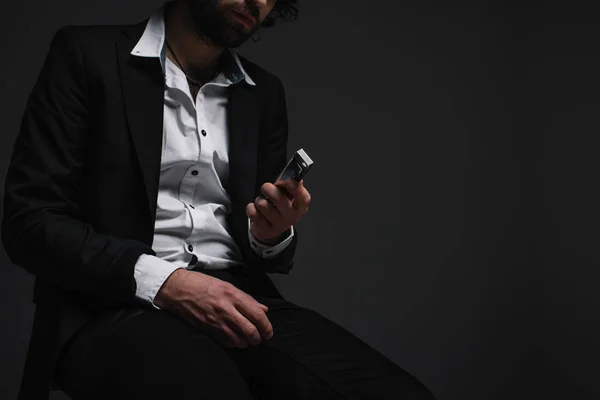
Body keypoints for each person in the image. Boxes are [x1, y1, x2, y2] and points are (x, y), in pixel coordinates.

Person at [2, 1, 436, 399]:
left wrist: (271, 232)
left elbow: (260, 247)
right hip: (110, 302)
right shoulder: (86, 54)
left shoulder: (261, 92)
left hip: (238, 299)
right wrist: (168, 283)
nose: (258, 1)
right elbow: (31, 221)